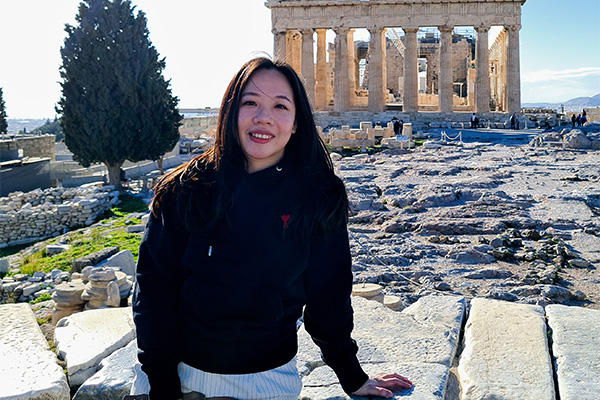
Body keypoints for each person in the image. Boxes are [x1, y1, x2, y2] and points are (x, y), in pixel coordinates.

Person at [128, 57, 412, 400]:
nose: (263, 117)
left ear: (296, 124)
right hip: (172, 374)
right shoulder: (184, 189)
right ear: (230, 112)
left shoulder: (318, 197)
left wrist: (352, 376)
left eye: (280, 106)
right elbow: (153, 288)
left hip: (263, 381)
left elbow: (328, 296)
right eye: (250, 102)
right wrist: (163, 386)